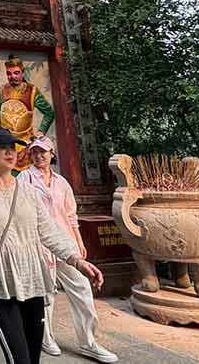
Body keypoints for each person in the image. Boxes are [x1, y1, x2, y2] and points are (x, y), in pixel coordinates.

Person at [0, 127, 104, 364]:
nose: (10, 152)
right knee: (20, 359)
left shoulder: (27, 191)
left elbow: (49, 231)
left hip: (33, 278)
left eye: (12, 148)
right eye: (2, 148)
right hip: (0, 282)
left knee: (33, 356)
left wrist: (77, 261)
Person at [20, 137, 117, 363]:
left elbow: (71, 215)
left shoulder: (62, 182)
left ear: (52, 154)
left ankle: (89, 341)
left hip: (65, 243)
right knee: (47, 293)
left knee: (81, 287)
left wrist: (79, 242)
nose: (39, 156)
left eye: (43, 152)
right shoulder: (25, 178)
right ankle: (46, 338)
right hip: (40, 244)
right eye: (34, 152)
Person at [0, 54, 55, 171]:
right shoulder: (2, 90)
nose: (12, 76)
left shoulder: (32, 91)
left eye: (16, 73)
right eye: (9, 73)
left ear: (22, 73)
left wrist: (41, 131)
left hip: (26, 147)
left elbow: (49, 113)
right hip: (6, 146)